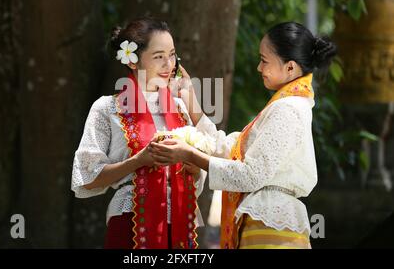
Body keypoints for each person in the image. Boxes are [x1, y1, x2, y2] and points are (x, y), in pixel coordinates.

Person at [149, 22, 337, 249]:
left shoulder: (288, 108)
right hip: (265, 225)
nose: (259, 67)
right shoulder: (284, 105)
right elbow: (231, 148)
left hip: (271, 229)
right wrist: (188, 96)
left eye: (264, 60)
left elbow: (251, 174)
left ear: (290, 68)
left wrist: (189, 153)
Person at [71, 17, 207, 249]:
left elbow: (196, 175)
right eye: (159, 56)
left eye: (172, 54)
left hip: (180, 220)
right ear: (133, 61)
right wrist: (138, 161)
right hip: (130, 219)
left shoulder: (181, 108)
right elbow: (87, 177)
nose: (169, 64)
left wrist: (194, 170)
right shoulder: (108, 108)